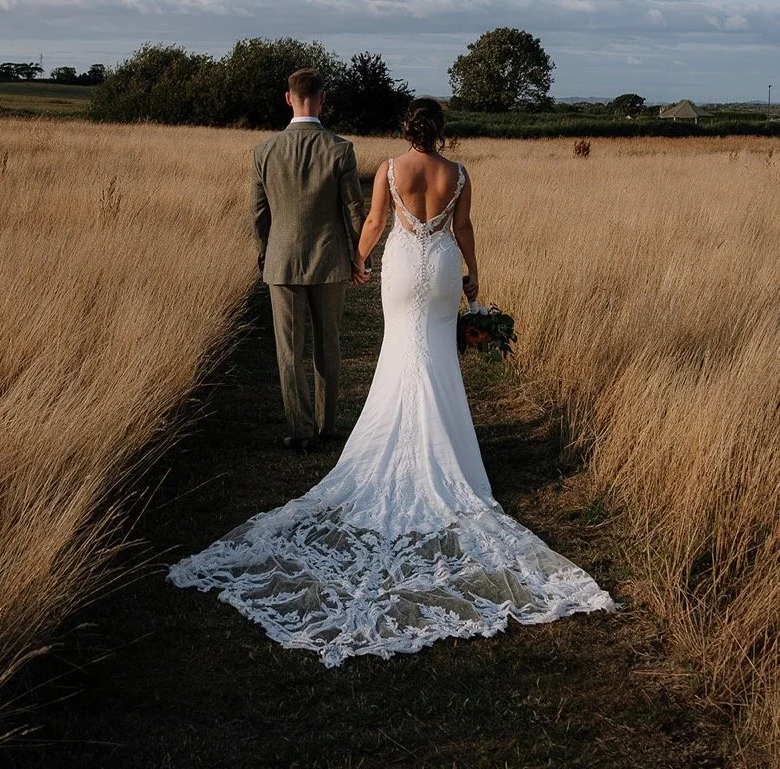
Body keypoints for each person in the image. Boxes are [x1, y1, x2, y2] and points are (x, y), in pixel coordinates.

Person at [169, 97, 616, 664]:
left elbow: (377, 222)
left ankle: (399, 441)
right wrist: (475, 277)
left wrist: (359, 261)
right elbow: (464, 226)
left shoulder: (388, 169)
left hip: (403, 266)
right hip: (444, 268)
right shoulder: (458, 173)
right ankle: (446, 451)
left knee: (400, 351)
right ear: (441, 133)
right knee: (436, 357)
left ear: (407, 131)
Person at [250, 68, 366, 452]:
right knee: (327, 344)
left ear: (288, 98)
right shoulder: (339, 149)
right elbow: (353, 211)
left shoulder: (264, 151)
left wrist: (264, 255)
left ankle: (299, 429)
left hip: (281, 261)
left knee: (288, 349)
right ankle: (326, 425)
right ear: (323, 98)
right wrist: (359, 257)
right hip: (330, 260)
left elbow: (258, 214)